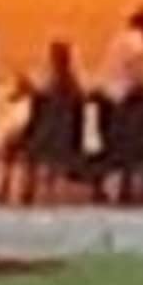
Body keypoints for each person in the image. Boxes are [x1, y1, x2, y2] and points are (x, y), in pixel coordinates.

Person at [96, 5, 143, 204]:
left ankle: (112, 187)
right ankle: (134, 188)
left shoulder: (120, 40)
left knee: (114, 150)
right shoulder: (138, 45)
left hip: (107, 98)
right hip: (124, 102)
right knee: (129, 149)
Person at [24, 43, 93, 203]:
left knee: (35, 151)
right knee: (56, 158)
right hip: (64, 134)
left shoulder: (47, 80)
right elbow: (85, 94)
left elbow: (36, 92)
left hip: (45, 132)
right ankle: (55, 188)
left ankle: (31, 189)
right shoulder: (72, 82)